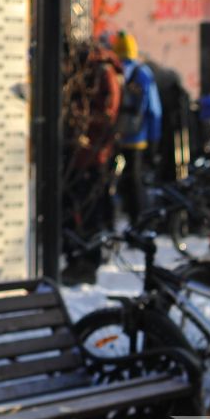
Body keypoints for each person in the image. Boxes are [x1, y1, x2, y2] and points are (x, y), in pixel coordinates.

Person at [62, 41, 123, 282]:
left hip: (92, 156)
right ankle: (77, 258)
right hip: (80, 155)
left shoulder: (103, 74)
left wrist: (81, 119)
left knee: (89, 211)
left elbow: (108, 115)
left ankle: (88, 262)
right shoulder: (88, 74)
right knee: (75, 207)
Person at [110, 32, 162, 228]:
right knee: (135, 180)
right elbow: (154, 109)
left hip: (114, 136)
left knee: (114, 179)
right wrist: (154, 139)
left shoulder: (114, 71)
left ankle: (111, 221)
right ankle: (138, 223)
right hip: (137, 136)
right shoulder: (143, 73)